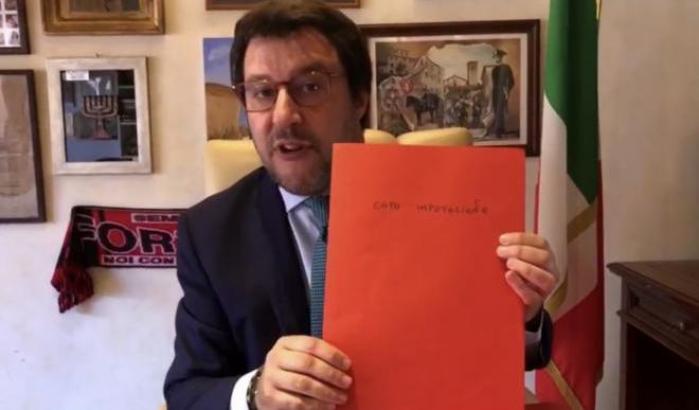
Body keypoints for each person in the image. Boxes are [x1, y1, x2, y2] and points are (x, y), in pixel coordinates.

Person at [164, 1, 558, 409]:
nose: (283, 115)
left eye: (310, 86)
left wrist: (521, 312)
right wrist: (256, 391)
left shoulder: (450, 205)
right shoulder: (209, 233)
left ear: (359, 98)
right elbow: (187, 392)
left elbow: (506, 356)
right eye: (263, 92)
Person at [490, 49, 515, 138]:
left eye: (498, 57)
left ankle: (498, 131)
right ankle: (501, 129)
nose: (496, 59)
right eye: (495, 57)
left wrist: (506, 90)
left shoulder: (506, 67)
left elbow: (511, 81)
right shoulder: (494, 69)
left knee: (500, 110)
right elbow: (492, 83)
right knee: (496, 110)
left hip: (502, 91)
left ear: (501, 57)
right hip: (495, 92)